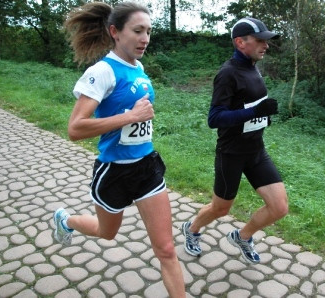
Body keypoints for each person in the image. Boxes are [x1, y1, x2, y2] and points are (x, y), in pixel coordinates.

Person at [52, 2, 185, 297]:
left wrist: (136, 119)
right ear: (115, 32)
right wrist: (130, 117)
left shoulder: (139, 68)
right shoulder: (102, 72)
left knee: (165, 248)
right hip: (114, 171)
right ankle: (66, 220)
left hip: (147, 168)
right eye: (138, 31)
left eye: (148, 32)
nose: (145, 39)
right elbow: (75, 128)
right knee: (107, 233)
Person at [182, 17, 289, 264]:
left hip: (256, 150)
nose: (266, 45)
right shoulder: (227, 73)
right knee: (221, 208)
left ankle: (242, 236)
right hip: (231, 153)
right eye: (260, 40)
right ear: (240, 42)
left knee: (279, 207)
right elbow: (214, 118)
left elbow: (248, 105)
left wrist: (262, 117)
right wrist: (253, 113)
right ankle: (192, 228)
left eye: (266, 40)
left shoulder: (253, 66)